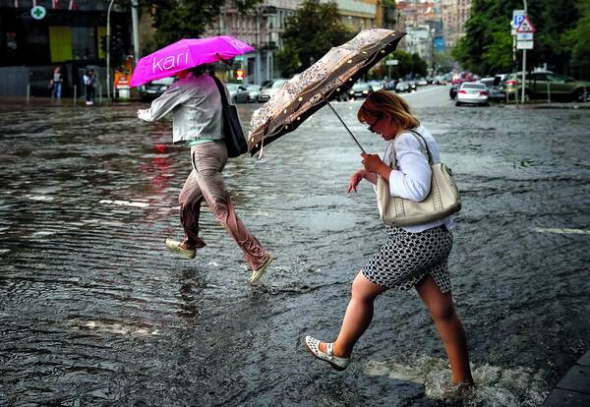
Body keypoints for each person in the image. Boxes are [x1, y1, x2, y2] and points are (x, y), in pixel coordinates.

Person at [304, 90, 474, 395]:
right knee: (444, 313)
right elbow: (409, 181)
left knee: (360, 289)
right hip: (436, 236)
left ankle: (339, 351)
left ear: (389, 114)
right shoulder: (420, 134)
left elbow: (418, 189)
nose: (374, 132)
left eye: (374, 125)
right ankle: (463, 383)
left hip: (415, 239)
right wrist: (371, 173)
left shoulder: (405, 140)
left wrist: (380, 167)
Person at [137, 66, 273, 283]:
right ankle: (190, 244)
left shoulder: (184, 85)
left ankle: (258, 256)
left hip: (203, 153)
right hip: (220, 150)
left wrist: (141, 113)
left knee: (222, 209)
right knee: (187, 199)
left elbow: (155, 113)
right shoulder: (217, 83)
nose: (175, 73)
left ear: (186, 69)